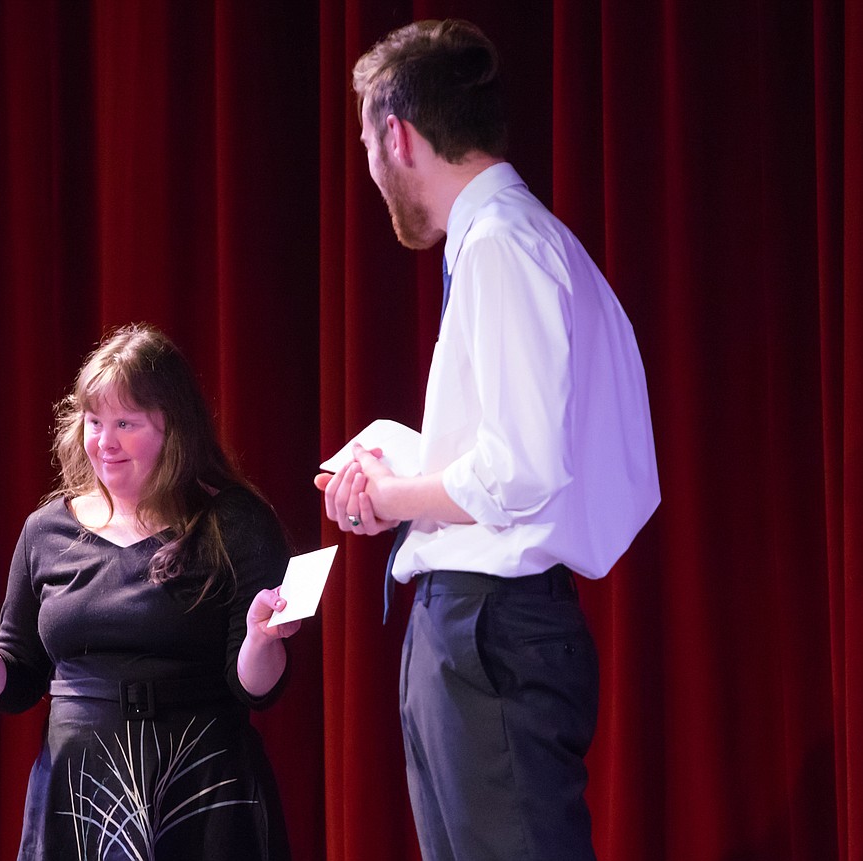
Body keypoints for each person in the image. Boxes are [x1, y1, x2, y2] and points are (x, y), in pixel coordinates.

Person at [315, 19, 660, 861]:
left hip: (488, 634)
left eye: (365, 141)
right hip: (486, 631)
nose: (367, 167)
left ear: (396, 135)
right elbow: (519, 451)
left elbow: (519, 470)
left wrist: (386, 496)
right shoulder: (518, 239)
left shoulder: (504, 243)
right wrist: (402, 466)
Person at [0, 323, 299, 860]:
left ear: (174, 428)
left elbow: (257, 690)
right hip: (77, 797)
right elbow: (18, 681)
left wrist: (264, 640)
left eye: (126, 422)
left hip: (200, 790)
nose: (105, 442)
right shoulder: (45, 530)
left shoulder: (234, 523)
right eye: (94, 421)